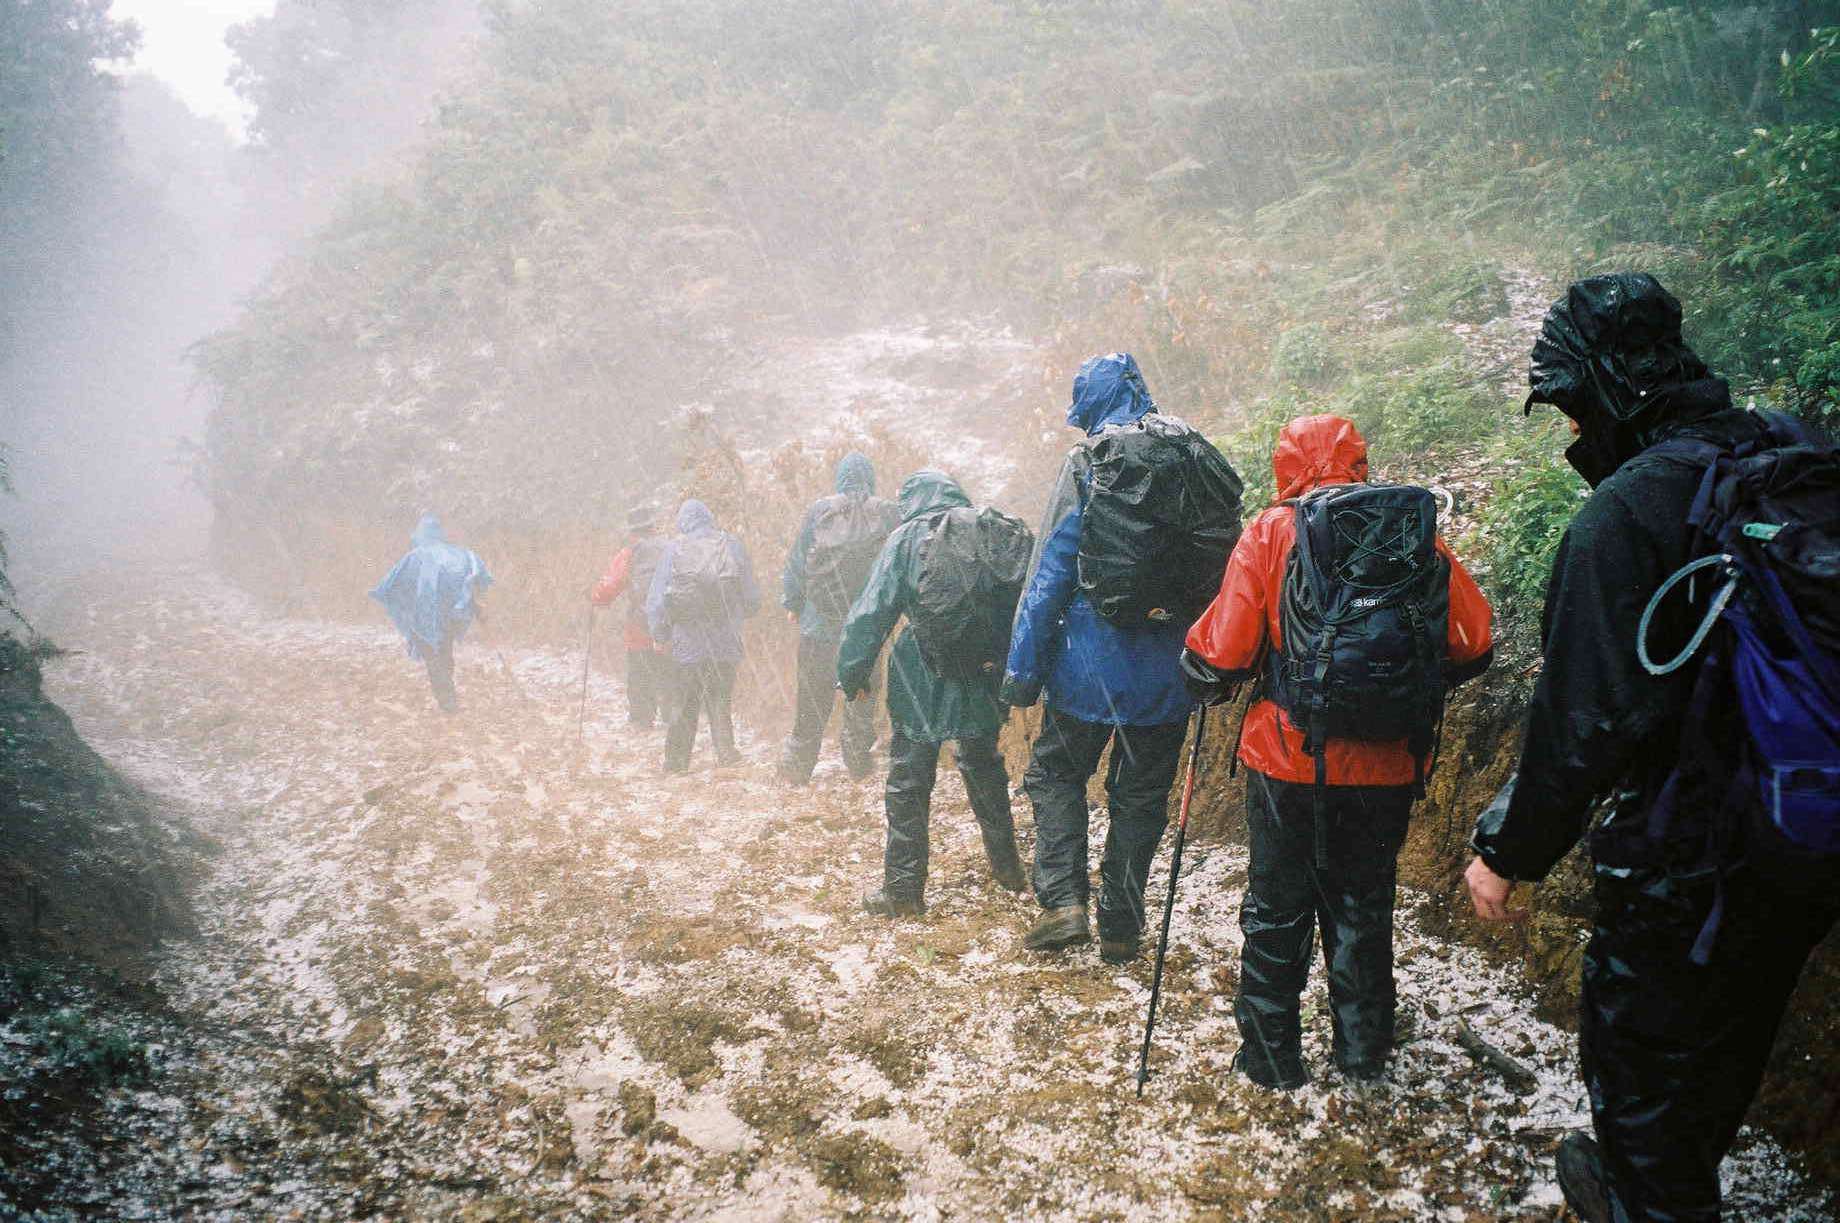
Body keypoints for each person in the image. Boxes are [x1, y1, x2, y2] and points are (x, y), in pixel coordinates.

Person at [1464, 273, 1840, 1223]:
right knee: (1728, 1039)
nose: (1571, 433)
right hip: (1805, 828)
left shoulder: (1629, 511)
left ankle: (1647, 1190)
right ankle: (1659, 1173)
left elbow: (1581, 717)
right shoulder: (1792, 447)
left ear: (1603, 388)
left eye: (1572, 405)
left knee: (1642, 1064)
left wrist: (1508, 852)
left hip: (1689, 852)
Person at [1182, 414, 1494, 1088]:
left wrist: (1198, 663)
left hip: (1287, 759)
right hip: (1386, 763)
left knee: (1277, 907)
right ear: (1357, 460)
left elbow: (1224, 649)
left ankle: (1271, 1059)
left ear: (1285, 463)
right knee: (1362, 904)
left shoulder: (1271, 530)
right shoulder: (1406, 529)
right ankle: (1362, 1054)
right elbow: (1473, 640)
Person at [1003, 352, 1209, 964]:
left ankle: (1064, 902)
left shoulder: (1091, 463)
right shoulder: (1193, 454)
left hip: (1088, 674)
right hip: (1172, 673)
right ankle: (1121, 925)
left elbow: (1051, 572)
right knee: (1141, 798)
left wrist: (1022, 671)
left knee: (1055, 774)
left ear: (1088, 405)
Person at [837, 469, 1026, 915]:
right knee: (984, 765)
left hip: (919, 674)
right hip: (981, 672)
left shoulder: (905, 539)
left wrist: (852, 674)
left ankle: (903, 891)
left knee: (909, 779)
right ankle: (1008, 868)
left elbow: (871, 612)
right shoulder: (990, 530)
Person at [779, 452, 900, 784]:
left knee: (812, 701)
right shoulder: (887, 512)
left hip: (818, 627)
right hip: (864, 630)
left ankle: (797, 770)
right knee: (860, 698)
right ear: (870, 479)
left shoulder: (820, 511)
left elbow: (796, 562)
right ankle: (859, 764)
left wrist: (793, 602)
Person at [645, 499, 760, 773]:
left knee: (685, 704)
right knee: (720, 698)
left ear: (683, 521)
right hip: (725, 642)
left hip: (687, 645)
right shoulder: (730, 545)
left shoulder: (674, 549)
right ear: (710, 517)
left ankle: (676, 762)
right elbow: (752, 597)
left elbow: (657, 600)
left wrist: (660, 634)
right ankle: (726, 753)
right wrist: (735, 616)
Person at [369, 513, 493, 714]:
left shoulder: (415, 557)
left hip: (424, 617)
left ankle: (448, 702)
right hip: (450, 616)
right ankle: (448, 696)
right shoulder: (460, 555)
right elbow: (472, 581)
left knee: (433, 658)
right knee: (444, 652)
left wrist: (401, 604)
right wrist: (475, 608)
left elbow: (393, 584)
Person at [589, 504, 670, 729]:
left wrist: (596, 598)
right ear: (653, 526)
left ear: (631, 530)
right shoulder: (671, 548)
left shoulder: (629, 553)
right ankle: (673, 714)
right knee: (668, 668)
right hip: (670, 623)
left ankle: (642, 719)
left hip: (640, 624)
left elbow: (610, 587)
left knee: (640, 671)